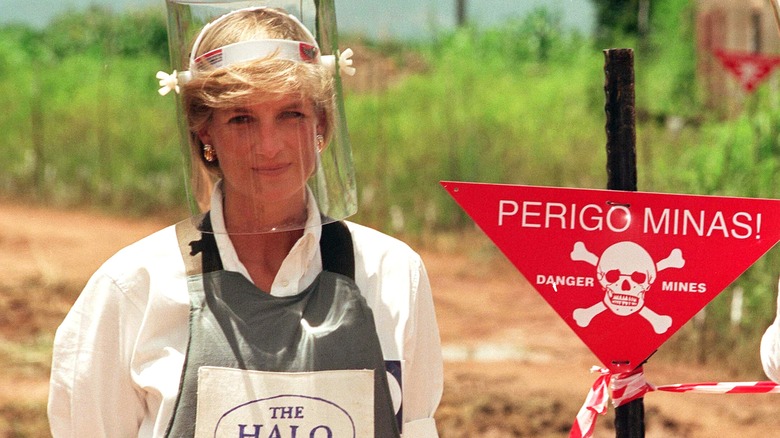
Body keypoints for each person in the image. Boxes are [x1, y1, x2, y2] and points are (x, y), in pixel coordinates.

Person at [47, 6, 443, 437]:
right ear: (205, 134)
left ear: (322, 125)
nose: (268, 146)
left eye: (290, 114)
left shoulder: (392, 275)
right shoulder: (133, 289)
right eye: (241, 118)